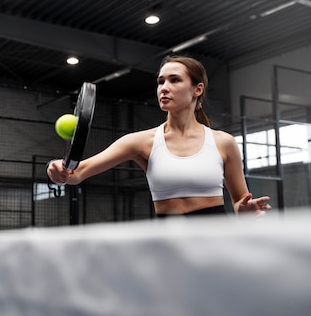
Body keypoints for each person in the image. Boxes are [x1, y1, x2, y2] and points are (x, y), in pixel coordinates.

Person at [47, 55, 271, 216]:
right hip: (168, 243)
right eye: (160, 81)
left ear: (197, 89)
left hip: (214, 239)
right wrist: (56, 168)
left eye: (174, 80)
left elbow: (240, 200)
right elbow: (76, 173)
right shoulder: (140, 142)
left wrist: (244, 209)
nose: (164, 87)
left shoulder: (224, 142)